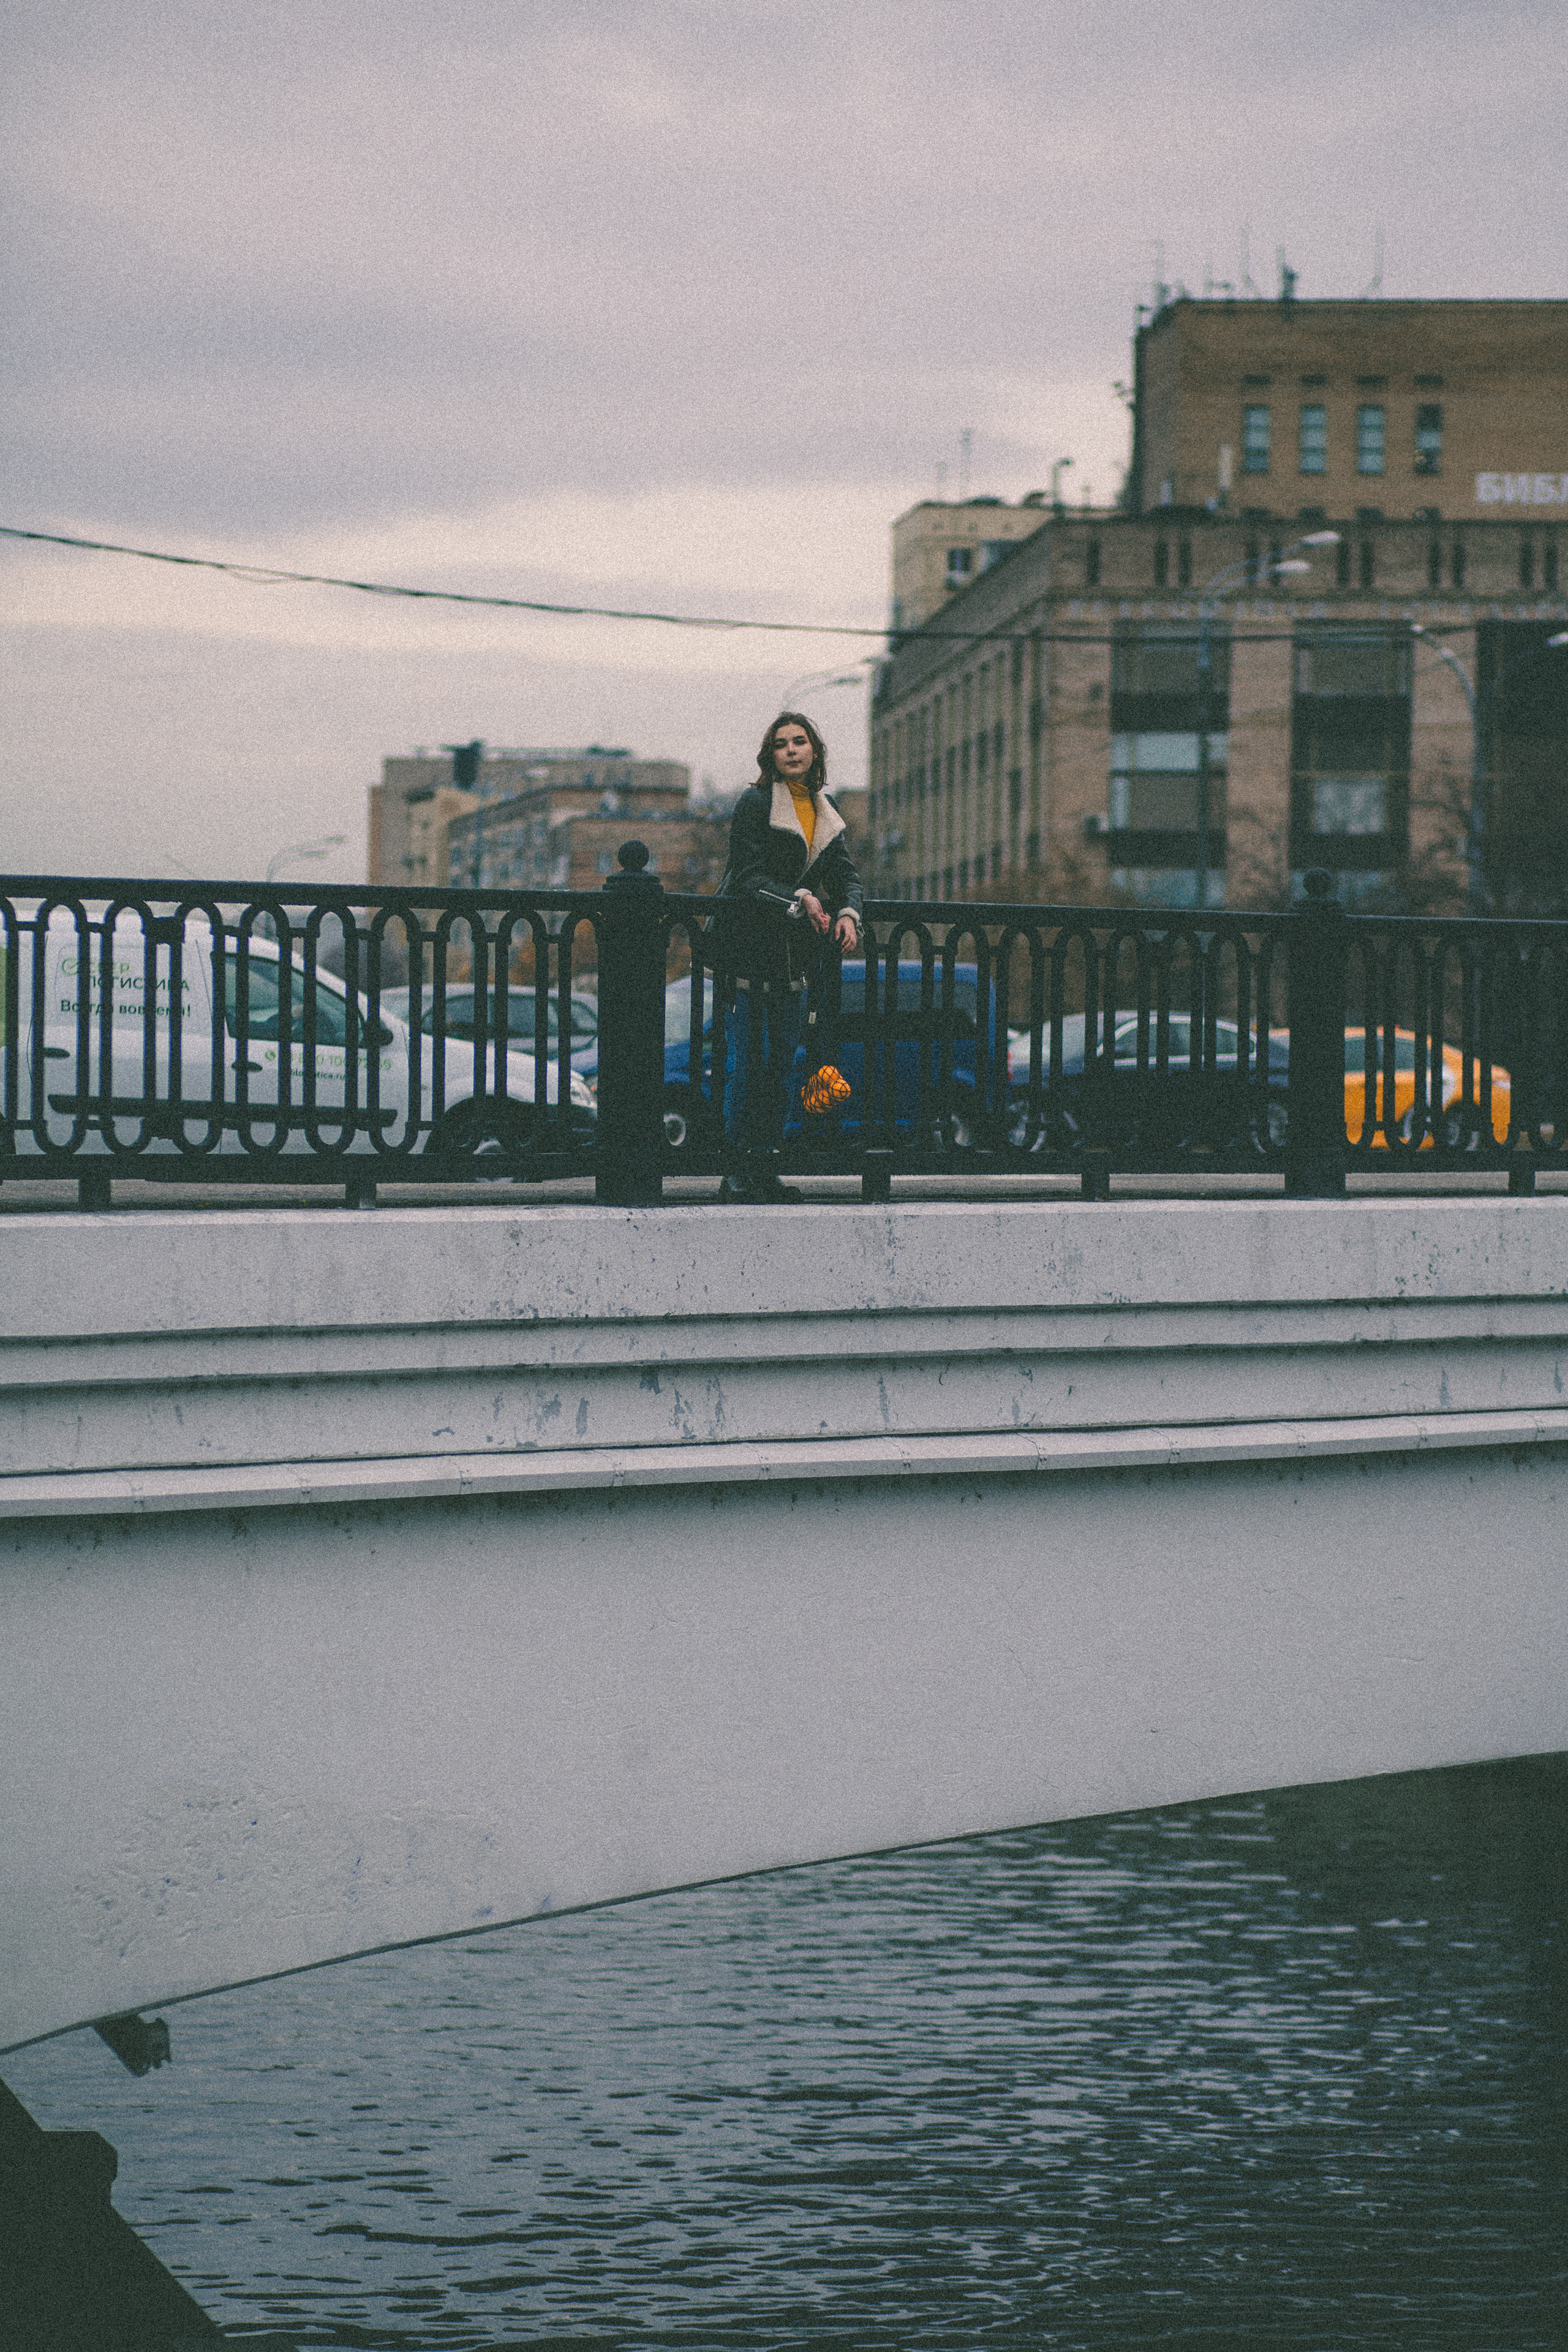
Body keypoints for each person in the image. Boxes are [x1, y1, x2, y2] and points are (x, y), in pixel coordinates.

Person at [714, 710, 863, 1202]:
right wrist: (800, 898)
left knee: (781, 1067)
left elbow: (844, 872)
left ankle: (766, 1169)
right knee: (747, 1067)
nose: (792, 750)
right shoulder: (755, 803)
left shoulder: (824, 807)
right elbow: (748, 877)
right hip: (750, 952)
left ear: (814, 751)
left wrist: (847, 912)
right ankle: (736, 1170)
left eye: (801, 742)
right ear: (771, 756)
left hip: (796, 961)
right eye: (782, 744)